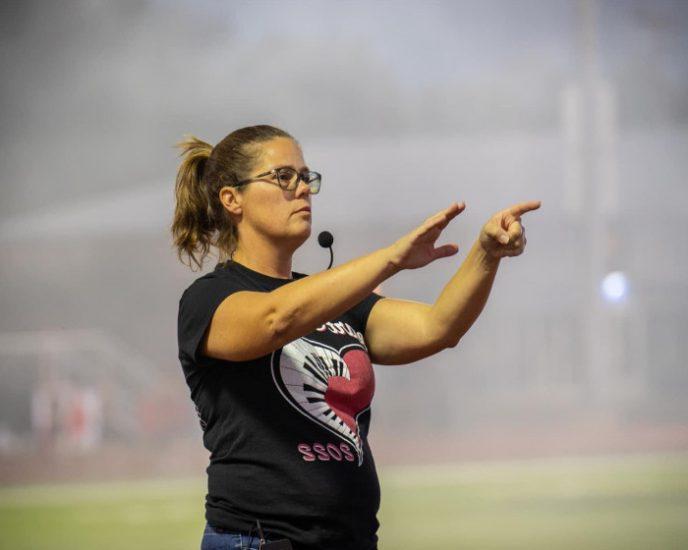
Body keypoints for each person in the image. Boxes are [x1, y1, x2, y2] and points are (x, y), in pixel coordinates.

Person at [171, 124, 541, 550]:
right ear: (232, 199)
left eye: (306, 177)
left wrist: (486, 253)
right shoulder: (209, 299)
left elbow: (438, 327)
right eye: (283, 177)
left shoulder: (335, 299)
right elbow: (275, 319)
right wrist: (391, 259)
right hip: (258, 541)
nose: (303, 189)